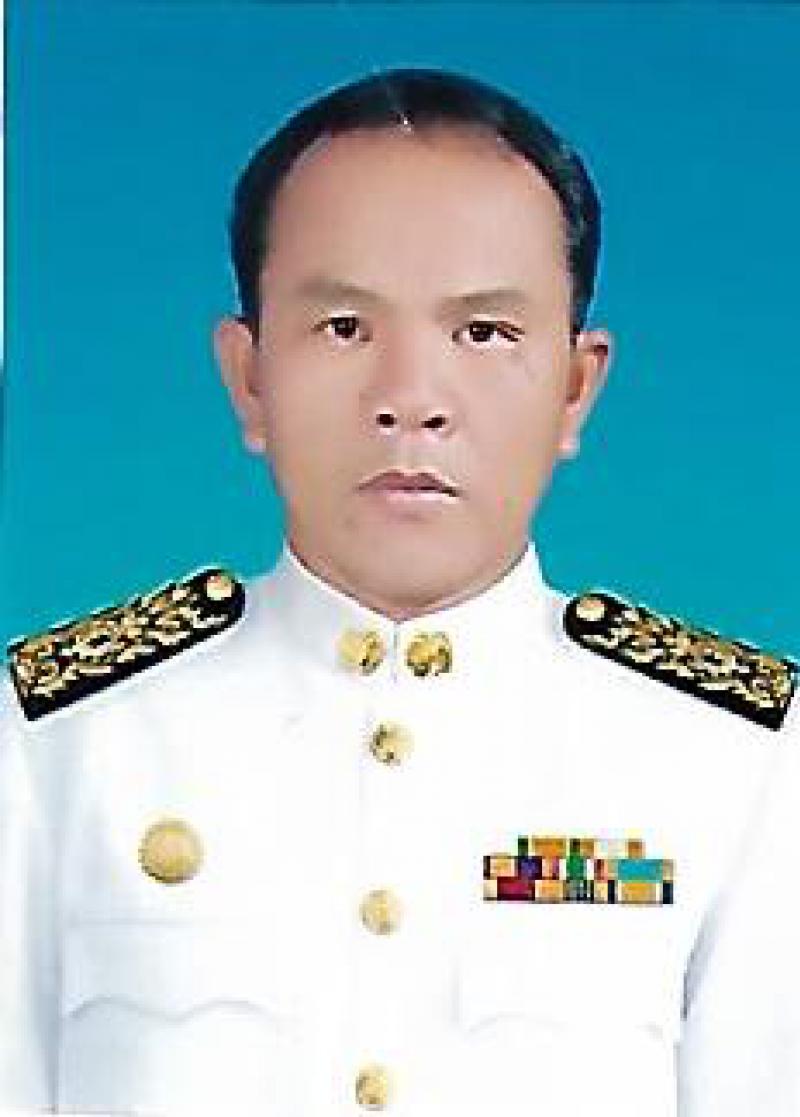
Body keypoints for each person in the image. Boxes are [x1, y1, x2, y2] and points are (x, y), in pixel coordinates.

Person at [1, 66, 797, 1117]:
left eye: (483, 333)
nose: (410, 399)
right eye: (343, 327)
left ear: (574, 386)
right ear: (249, 377)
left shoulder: (733, 760)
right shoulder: (59, 740)